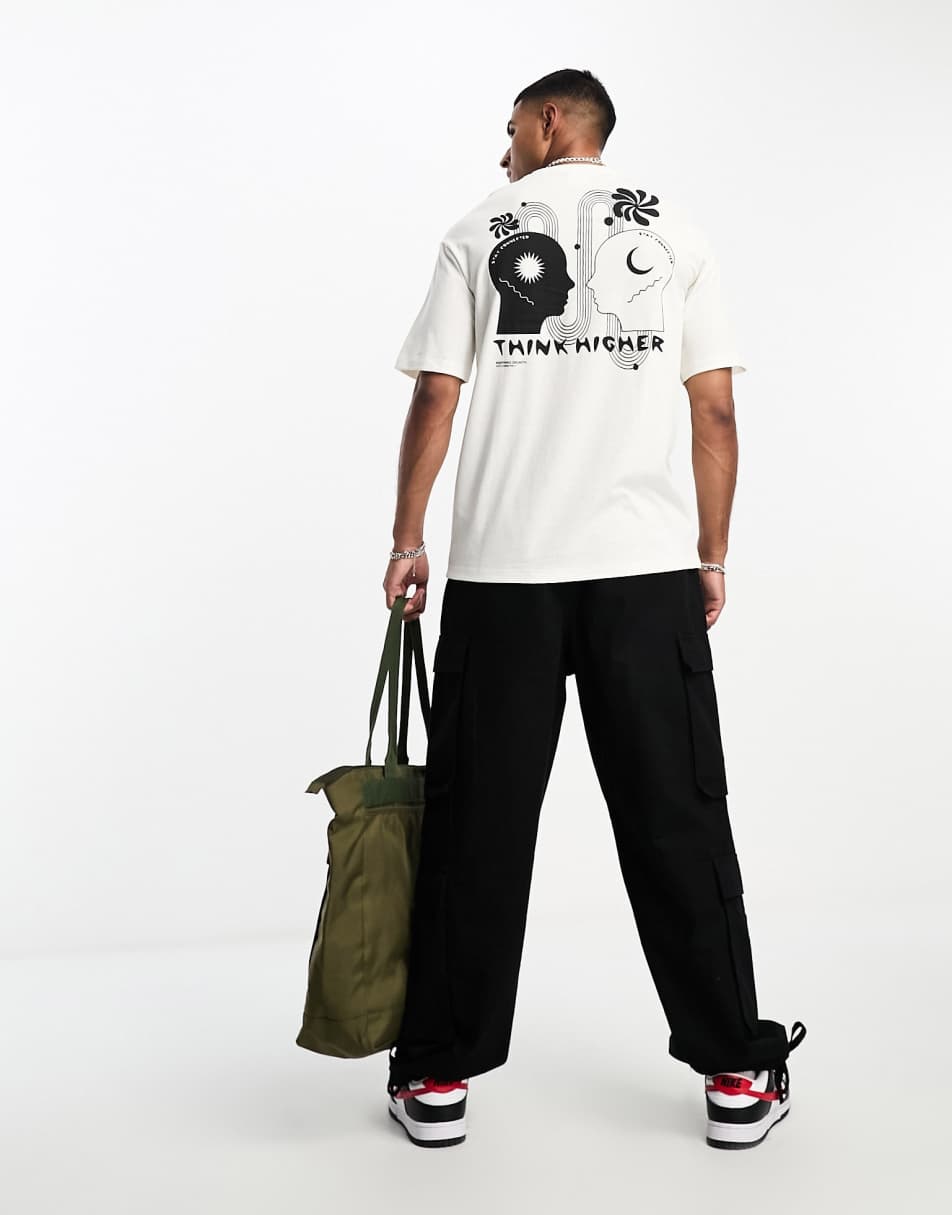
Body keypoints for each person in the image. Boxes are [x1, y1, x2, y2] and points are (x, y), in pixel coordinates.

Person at [381, 67, 806, 1151]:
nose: (502, 153)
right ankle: (734, 1072)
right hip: (642, 574)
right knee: (677, 817)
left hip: (503, 578)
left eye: (509, 130)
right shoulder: (679, 235)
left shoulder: (474, 231)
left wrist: (408, 538)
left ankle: (437, 1076)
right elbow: (715, 411)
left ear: (549, 120)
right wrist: (710, 554)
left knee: (478, 825)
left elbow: (436, 393)